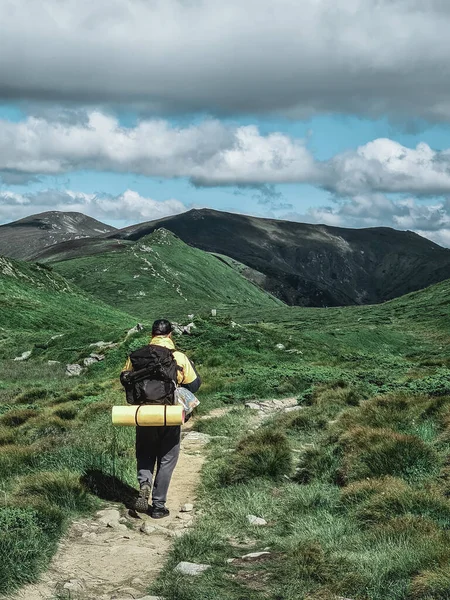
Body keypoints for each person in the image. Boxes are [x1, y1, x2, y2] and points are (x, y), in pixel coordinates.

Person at [121, 319, 201, 519]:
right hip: (169, 413)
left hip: (144, 414)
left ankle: (144, 483)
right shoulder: (178, 357)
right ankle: (158, 506)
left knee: (145, 453)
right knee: (167, 458)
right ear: (170, 335)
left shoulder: (136, 355)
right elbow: (195, 384)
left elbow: (125, 379)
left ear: (152, 334)